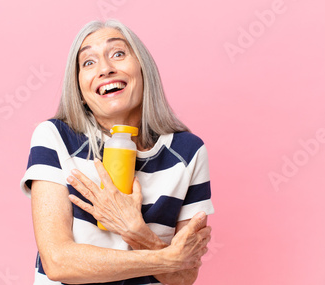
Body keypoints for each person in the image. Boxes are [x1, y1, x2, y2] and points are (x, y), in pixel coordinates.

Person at [20, 19, 215, 285]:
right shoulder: (56, 137)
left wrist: (134, 230)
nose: (105, 69)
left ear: (143, 69)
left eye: (118, 54)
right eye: (88, 62)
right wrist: (168, 259)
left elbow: (183, 277)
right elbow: (57, 261)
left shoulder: (188, 152)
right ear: (79, 89)